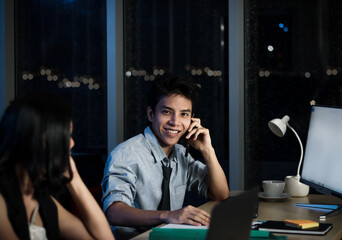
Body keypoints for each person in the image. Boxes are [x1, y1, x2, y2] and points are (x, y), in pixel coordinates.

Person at [101, 75, 229, 239]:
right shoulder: (126, 154)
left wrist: (207, 150)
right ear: (151, 114)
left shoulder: (181, 153)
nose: (175, 122)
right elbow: (114, 211)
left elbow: (220, 194)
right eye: (167, 112)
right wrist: (167, 215)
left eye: (184, 114)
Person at [0, 91, 114, 240]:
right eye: (65, 135)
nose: (72, 143)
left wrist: (74, 178)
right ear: (37, 140)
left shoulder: (40, 199)